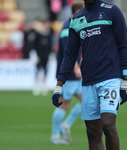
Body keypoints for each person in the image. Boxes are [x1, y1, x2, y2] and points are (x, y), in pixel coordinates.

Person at [52, 0, 127, 149]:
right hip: (88, 81)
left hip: (110, 77)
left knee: (108, 124)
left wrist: (126, 78)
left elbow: (124, 45)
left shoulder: (112, 11)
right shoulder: (76, 20)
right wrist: (59, 84)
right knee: (93, 132)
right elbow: (69, 55)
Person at [51, 1, 84, 145]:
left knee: (89, 101)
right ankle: (55, 136)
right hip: (68, 74)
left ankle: (66, 125)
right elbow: (67, 52)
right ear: (77, 11)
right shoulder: (67, 27)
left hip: (75, 74)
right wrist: (76, 68)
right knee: (64, 104)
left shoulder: (75, 25)